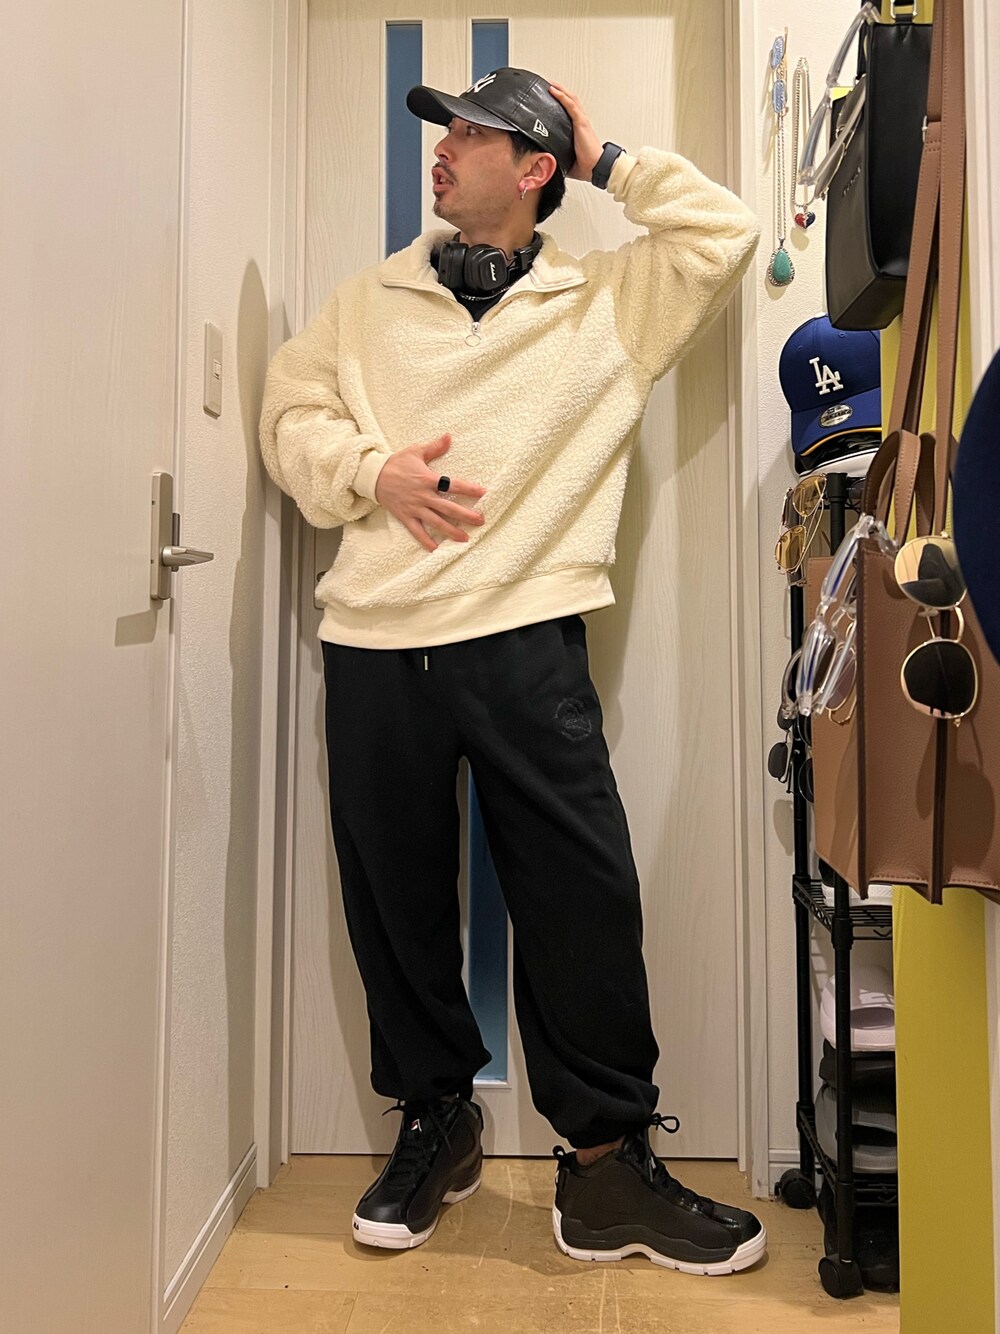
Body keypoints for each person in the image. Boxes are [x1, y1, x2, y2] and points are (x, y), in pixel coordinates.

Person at [259, 66, 765, 1276]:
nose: (442, 148)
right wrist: (370, 471)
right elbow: (289, 413)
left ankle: (604, 1170)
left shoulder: (611, 302)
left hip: (529, 636)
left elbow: (725, 231)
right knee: (395, 899)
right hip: (375, 639)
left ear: (536, 168)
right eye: (442, 130)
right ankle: (436, 1122)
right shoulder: (364, 302)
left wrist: (606, 160)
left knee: (581, 896)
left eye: (472, 133)